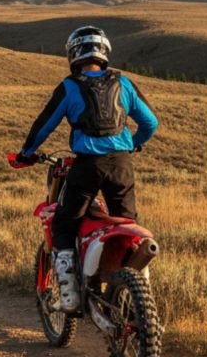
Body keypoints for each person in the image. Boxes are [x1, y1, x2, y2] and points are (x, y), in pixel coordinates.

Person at [14, 26, 158, 312]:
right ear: (104, 52)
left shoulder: (70, 86)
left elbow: (45, 124)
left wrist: (25, 154)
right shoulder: (123, 83)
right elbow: (150, 123)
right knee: (128, 228)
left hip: (87, 167)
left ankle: (69, 296)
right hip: (121, 166)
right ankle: (135, 296)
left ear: (74, 53)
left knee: (64, 224)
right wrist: (131, 145)